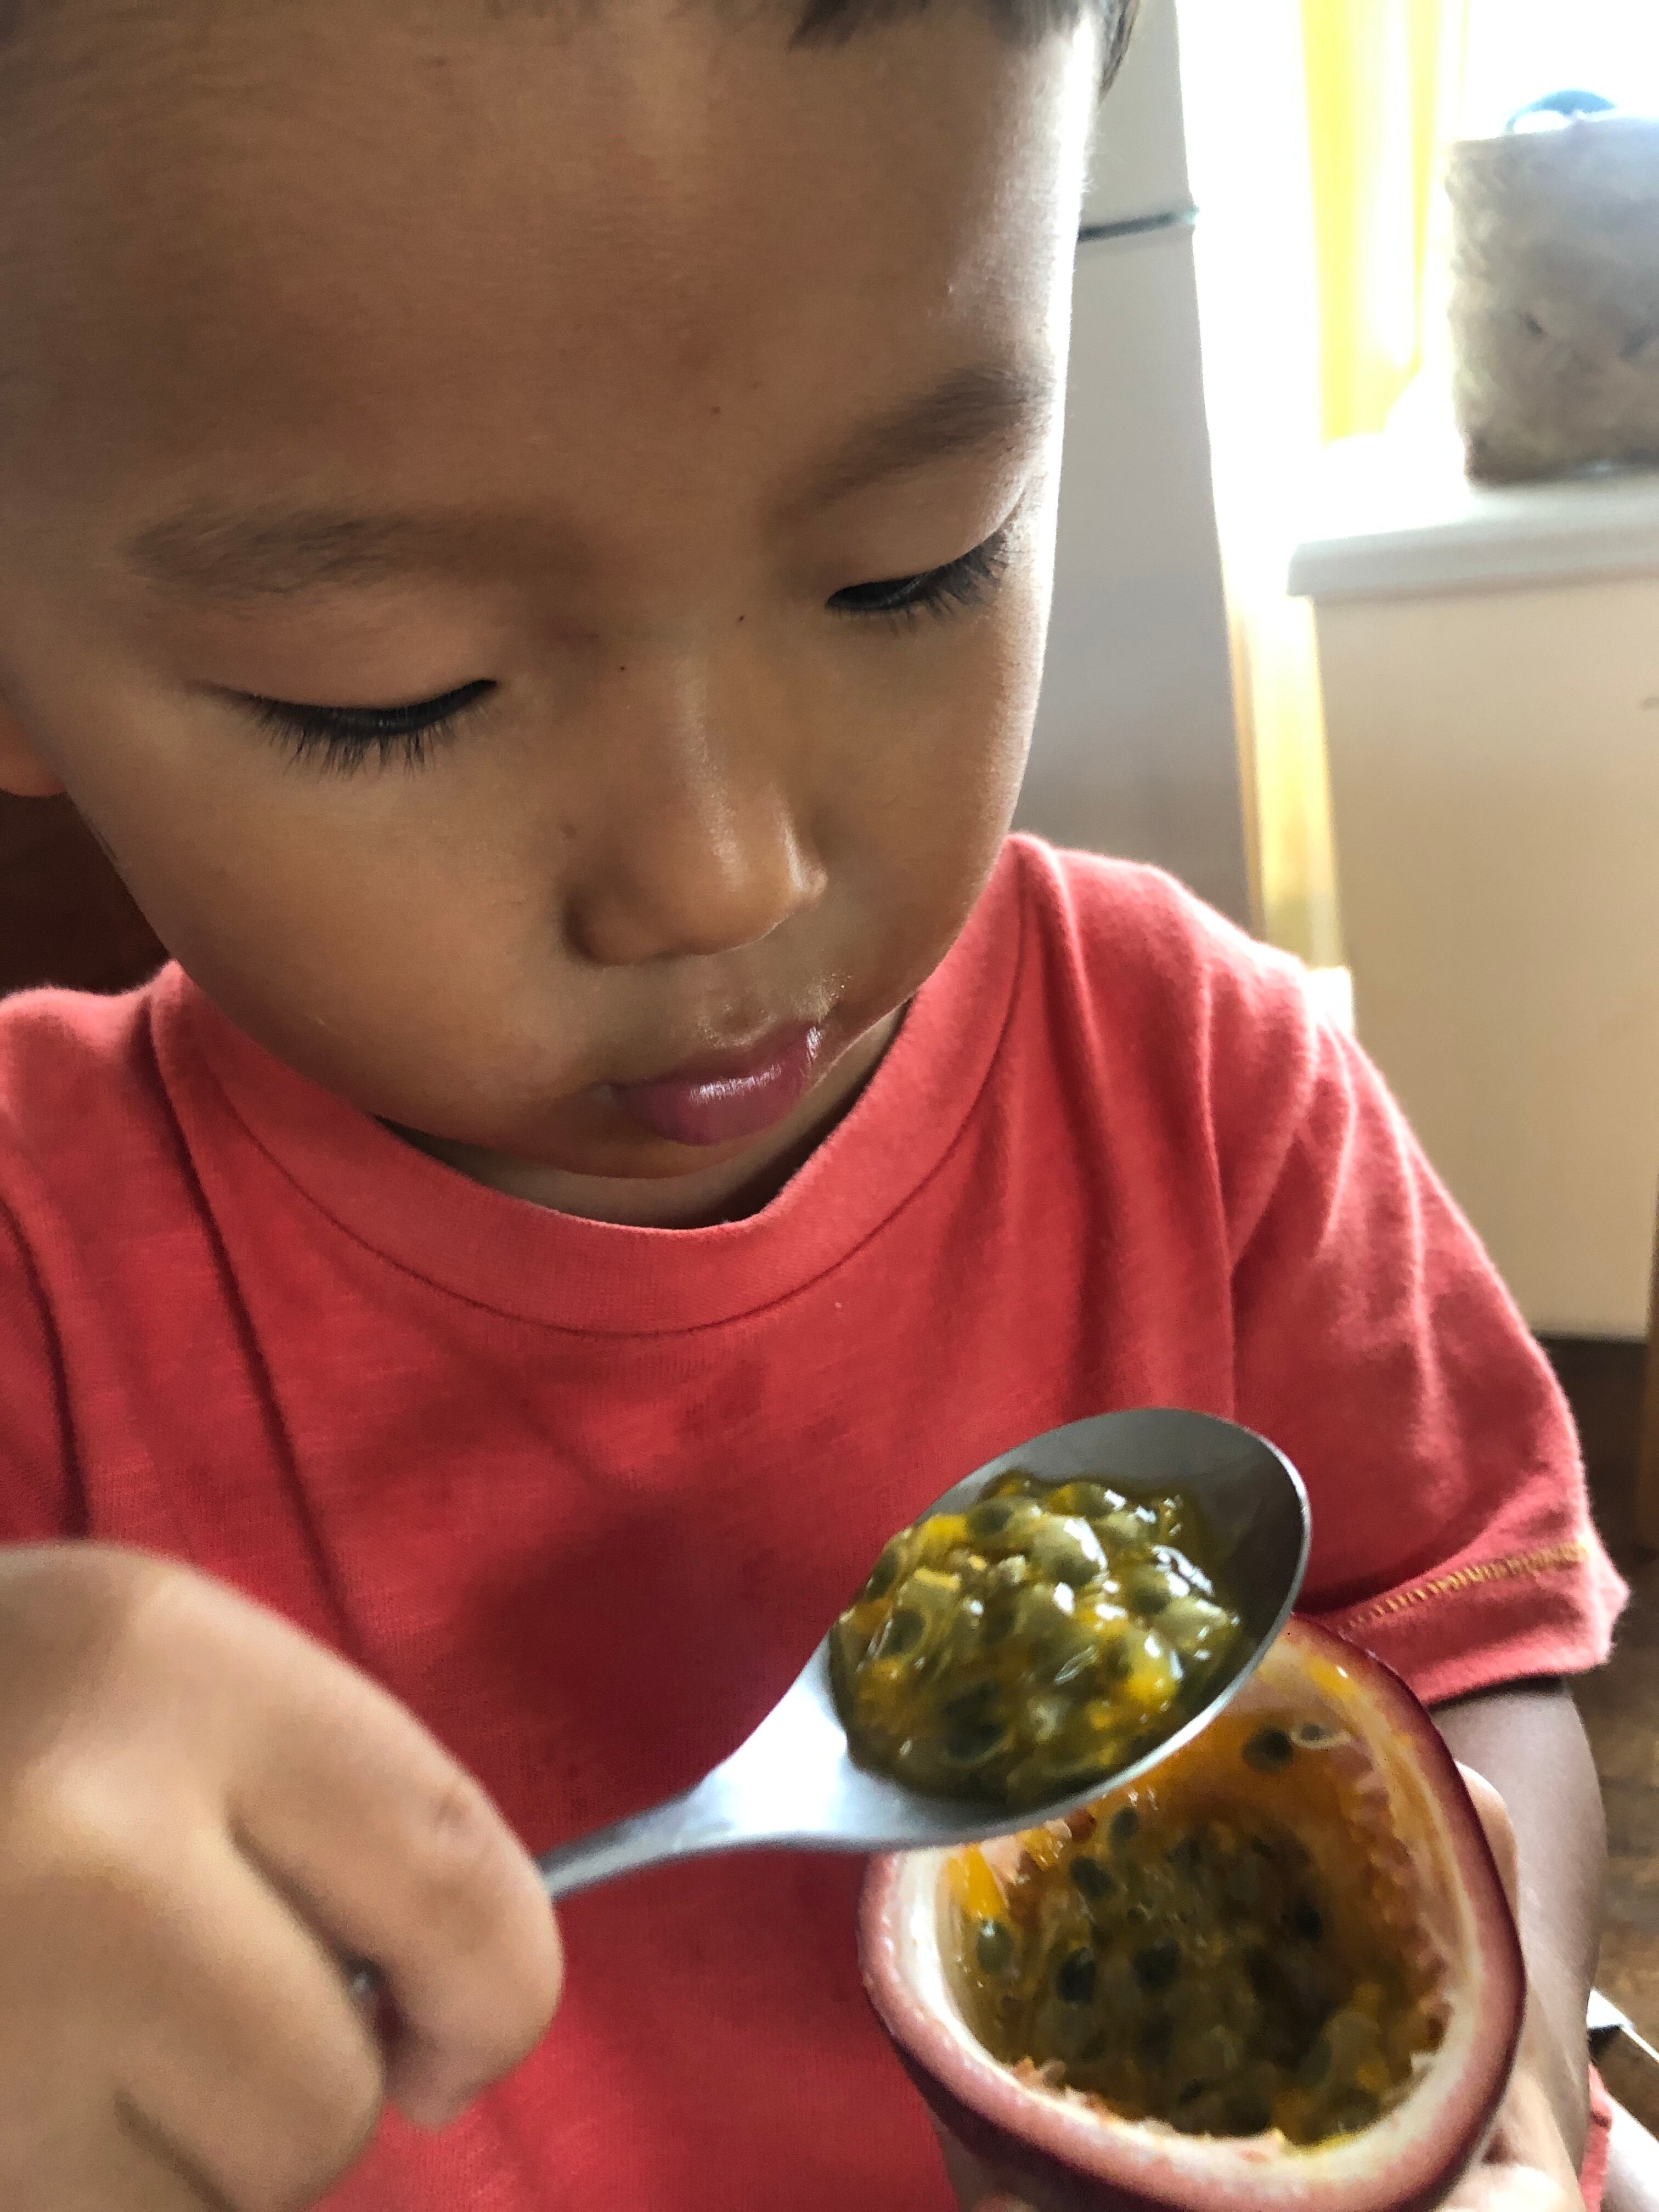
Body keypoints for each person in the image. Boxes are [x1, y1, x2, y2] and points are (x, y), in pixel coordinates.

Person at [0, 0, 1632, 2205]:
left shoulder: (1204, 1083)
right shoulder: (39, 1276)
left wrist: (1495, 2055)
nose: (724, 874)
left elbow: (1473, 1632)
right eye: (393, 696)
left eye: (919, 560)